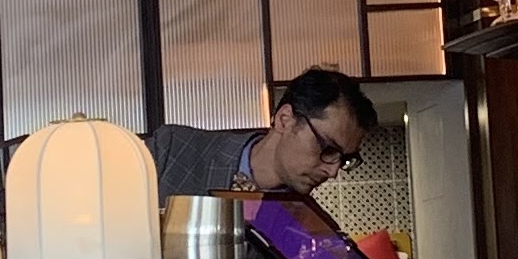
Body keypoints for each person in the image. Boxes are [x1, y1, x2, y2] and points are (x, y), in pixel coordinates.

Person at [149, 64, 376, 204]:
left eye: (345, 159)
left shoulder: (306, 227)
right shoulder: (171, 150)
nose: (333, 172)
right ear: (284, 119)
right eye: (327, 149)